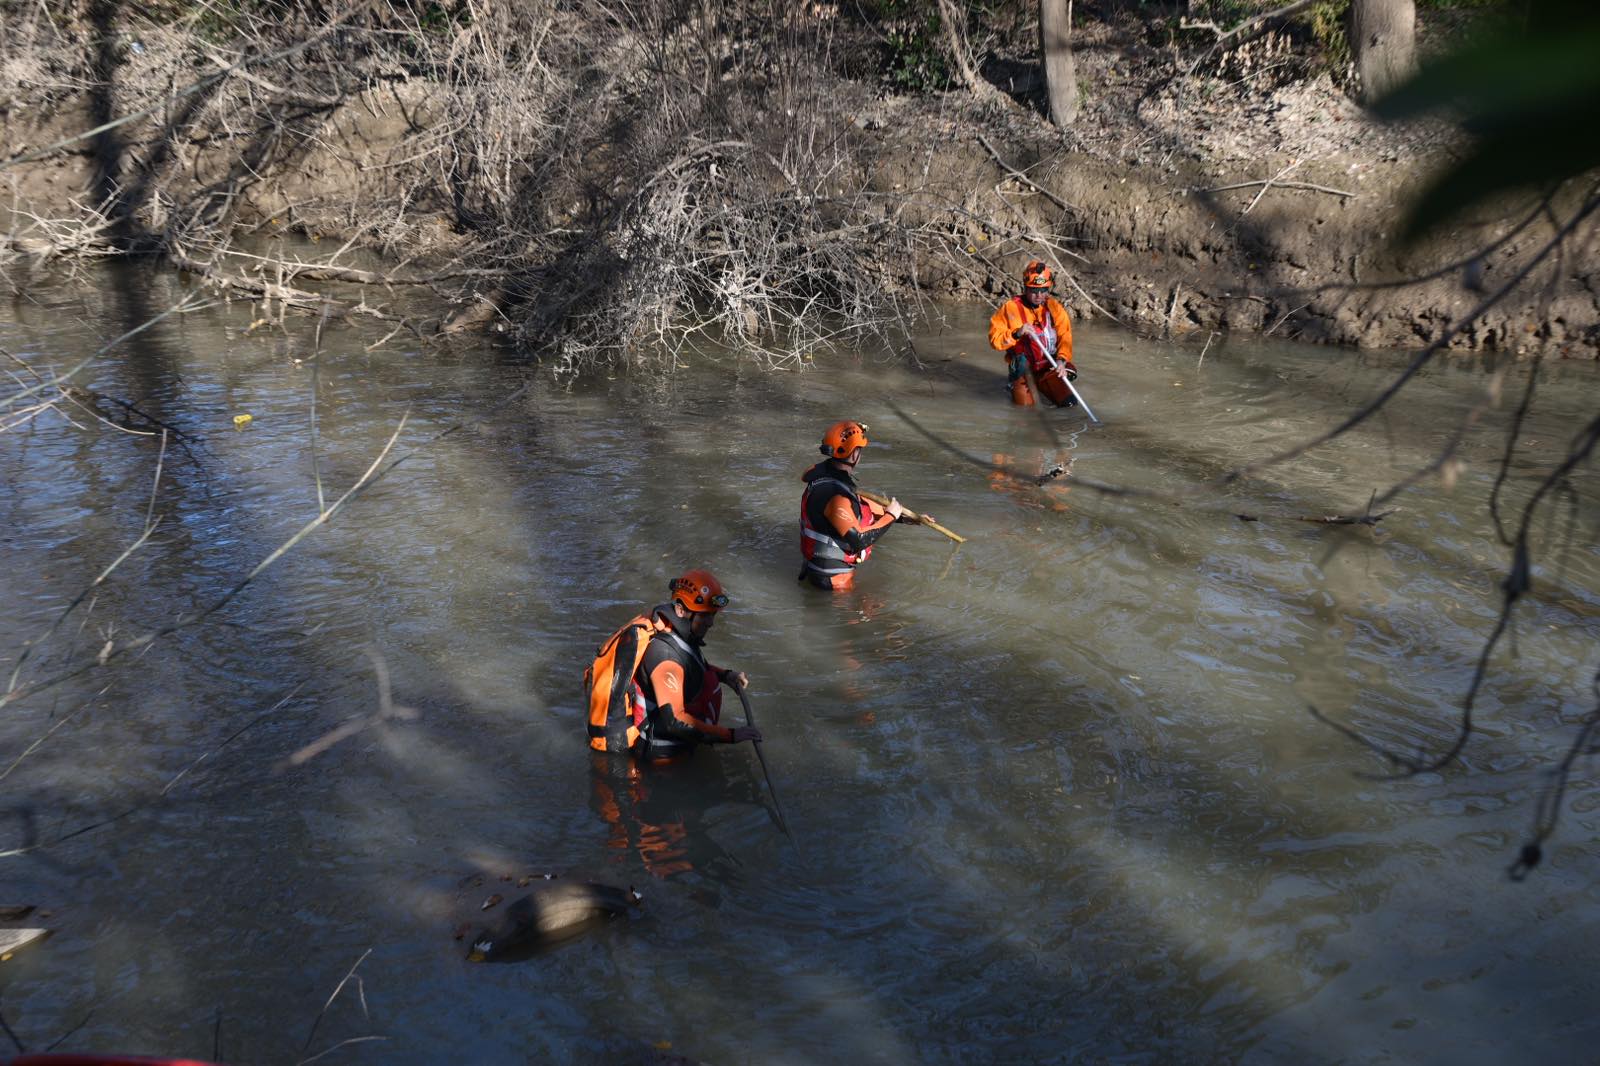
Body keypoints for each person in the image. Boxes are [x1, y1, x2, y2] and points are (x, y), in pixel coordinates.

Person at [585, 569, 761, 760]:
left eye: (713, 615)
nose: (711, 623)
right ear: (680, 610)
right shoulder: (664, 656)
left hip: (679, 746)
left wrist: (726, 676)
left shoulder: (679, 633)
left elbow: (692, 665)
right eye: (704, 616)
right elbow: (675, 720)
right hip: (663, 758)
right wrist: (730, 735)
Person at [799, 420, 932, 590]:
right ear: (854, 454)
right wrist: (890, 517)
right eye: (859, 450)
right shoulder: (835, 495)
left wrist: (904, 518)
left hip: (818, 571)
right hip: (833, 582)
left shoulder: (823, 476)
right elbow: (859, 540)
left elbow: (862, 507)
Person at [988, 260, 1077, 407]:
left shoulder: (1054, 308)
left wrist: (1061, 361)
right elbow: (994, 341)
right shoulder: (1009, 309)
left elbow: (1065, 337)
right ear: (1025, 288)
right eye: (1034, 291)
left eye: (1043, 290)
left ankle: (1047, 385)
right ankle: (1015, 386)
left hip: (1049, 368)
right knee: (1026, 414)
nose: (1039, 295)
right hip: (1024, 373)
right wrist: (1016, 334)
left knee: (1069, 404)